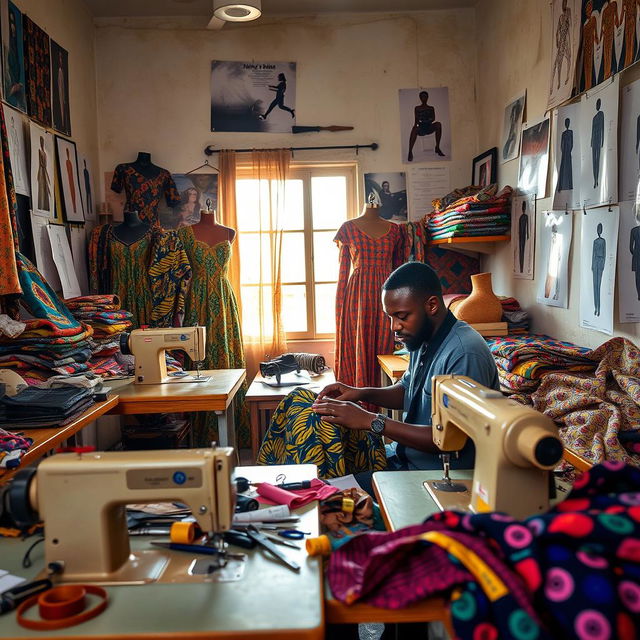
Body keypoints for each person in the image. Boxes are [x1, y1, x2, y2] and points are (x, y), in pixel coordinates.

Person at [259, 262, 500, 487]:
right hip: (400, 458)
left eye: (402, 317)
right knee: (301, 402)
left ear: (432, 305)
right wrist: (361, 392)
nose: (394, 327)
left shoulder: (465, 353)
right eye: (390, 317)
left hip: (436, 477)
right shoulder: (423, 339)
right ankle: (281, 490)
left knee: (329, 493)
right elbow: (407, 391)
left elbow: (450, 438)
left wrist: (370, 421)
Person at [407, 91, 445, 161]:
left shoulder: (431, 108)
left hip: (429, 127)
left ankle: (437, 147)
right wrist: (416, 126)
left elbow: (433, 118)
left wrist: (425, 119)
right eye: (422, 97)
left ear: (427, 98)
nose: (424, 98)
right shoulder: (417, 108)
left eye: (425, 96)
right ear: (420, 98)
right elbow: (417, 119)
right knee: (414, 128)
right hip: (421, 127)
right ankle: (410, 151)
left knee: (438, 124)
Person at [551, 0, 573, 91]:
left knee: (568, 59)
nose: (563, 6)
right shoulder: (560, 17)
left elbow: (570, 26)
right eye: (562, 4)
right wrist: (557, 41)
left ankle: (568, 77)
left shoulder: (568, 14)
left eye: (565, 3)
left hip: (565, 42)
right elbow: (557, 32)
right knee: (557, 64)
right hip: (561, 42)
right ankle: (557, 83)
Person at [582, 1, 599, 91]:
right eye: (587, 8)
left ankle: (590, 83)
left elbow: (596, 35)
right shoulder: (585, 25)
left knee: (591, 65)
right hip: (587, 48)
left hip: (592, 47)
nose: (589, 9)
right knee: (587, 66)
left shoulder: (593, 20)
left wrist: (598, 42)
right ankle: (587, 84)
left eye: (590, 7)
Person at [592, 222, 606, 316]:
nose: (599, 231)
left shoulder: (603, 241)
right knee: (595, 286)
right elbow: (593, 253)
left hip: (600, 262)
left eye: (600, 229)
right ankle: (595, 307)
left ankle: (599, 309)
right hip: (595, 262)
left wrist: (603, 264)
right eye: (598, 229)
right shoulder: (595, 241)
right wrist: (592, 265)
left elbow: (604, 253)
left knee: (599, 286)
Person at [591, 98, 605, 189]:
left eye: (598, 104)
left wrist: (603, 140)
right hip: (594, 141)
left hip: (598, 140)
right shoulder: (594, 118)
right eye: (596, 104)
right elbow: (592, 131)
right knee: (594, 161)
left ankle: (597, 179)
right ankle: (594, 179)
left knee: (598, 160)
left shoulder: (601, 114)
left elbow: (602, 128)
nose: (597, 106)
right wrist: (590, 142)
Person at [557, 117, 574, 192]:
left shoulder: (571, 132)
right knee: (563, 168)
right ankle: (561, 186)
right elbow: (561, 144)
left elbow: (572, 142)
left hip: (568, 152)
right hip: (564, 153)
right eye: (566, 123)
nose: (567, 124)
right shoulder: (563, 133)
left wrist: (569, 150)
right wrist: (564, 150)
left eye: (568, 123)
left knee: (568, 168)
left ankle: (569, 185)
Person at [37, 136, 51, 212]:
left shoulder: (45, 153)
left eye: (42, 142)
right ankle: (41, 205)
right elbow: (41, 163)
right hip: (41, 171)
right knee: (41, 187)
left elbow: (45, 163)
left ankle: (45, 205)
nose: (42, 143)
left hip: (44, 170)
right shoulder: (40, 151)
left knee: (45, 188)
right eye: (41, 142)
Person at [517, 200, 529, 273]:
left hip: (524, 235)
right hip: (521, 236)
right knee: (520, 250)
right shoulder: (521, 217)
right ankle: (521, 269)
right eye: (523, 208)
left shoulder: (525, 217)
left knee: (523, 250)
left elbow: (527, 227)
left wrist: (528, 235)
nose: (523, 209)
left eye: (524, 208)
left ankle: (522, 269)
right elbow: (519, 228)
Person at [631, 209, 640, 300]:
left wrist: (635, 254)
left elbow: (630, 248)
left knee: (637, 277)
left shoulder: (633, 231)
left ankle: (639, 295)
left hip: (637, 256)